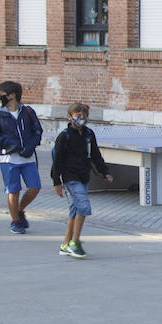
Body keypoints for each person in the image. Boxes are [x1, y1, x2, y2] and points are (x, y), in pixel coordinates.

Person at [50, 103, 113, 259]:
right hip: (70, 177)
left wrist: (105, 172)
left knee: (75, 210)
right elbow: (57, 160)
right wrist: (56, 182)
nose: (82, 117)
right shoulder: (64, 136)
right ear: (69, 116)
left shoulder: (89, 134)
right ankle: (75, 243)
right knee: (83, 207)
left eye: (84, 114)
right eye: (78, 114)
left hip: (84, 175)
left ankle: (65, 244)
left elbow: (96, 155)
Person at [0, 81, 44, 235]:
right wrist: (14, 146)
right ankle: (15, 221)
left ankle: (19, 210)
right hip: (8, 157)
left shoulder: (28, 111)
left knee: (35, 187)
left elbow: (37, 131)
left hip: (28, 157)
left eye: (1, 94)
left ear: (12, 95)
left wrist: (29, 146)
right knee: (13, 190)